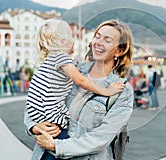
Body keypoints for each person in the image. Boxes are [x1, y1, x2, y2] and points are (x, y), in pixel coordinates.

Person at [24, 19, 134, 160]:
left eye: (107, 40)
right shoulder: (70, 70)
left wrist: (57, 146)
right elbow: (35, 98)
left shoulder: (123, 91)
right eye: (97, 36)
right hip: (46, 155)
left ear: (119, 51)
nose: (98, 42)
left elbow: (101, 138)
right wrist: (34, 126)